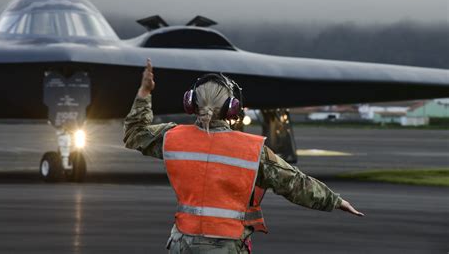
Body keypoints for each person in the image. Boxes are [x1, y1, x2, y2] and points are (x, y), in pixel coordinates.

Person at [124, 59, 364, 253]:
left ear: (191, 103)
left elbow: (135, 133)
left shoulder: (173, 138)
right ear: (232, 108)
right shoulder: (250, 150)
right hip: (225, 245)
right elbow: (294, 183)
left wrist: (144, 92)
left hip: (181, 244)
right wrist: (334, 200)